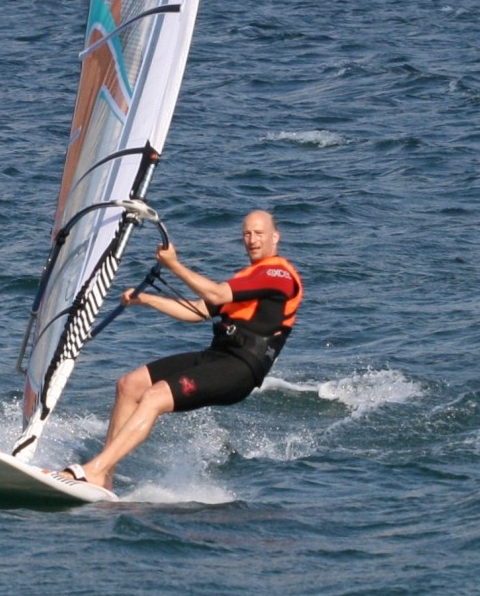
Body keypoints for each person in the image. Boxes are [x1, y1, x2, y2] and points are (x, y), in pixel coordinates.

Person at [59, 209, 302, 491]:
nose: (252, 239)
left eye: (259, 233)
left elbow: (216, 294)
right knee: (130, 384)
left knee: (154, 397)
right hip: (217, 357)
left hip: (241, 368)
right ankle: (105, 477)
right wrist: (147, 300)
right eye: (247, 234)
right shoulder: (249, 277)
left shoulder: (278, 274)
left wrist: (174, 265)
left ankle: (95, 469)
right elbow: (197, 311)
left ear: (275, 237)